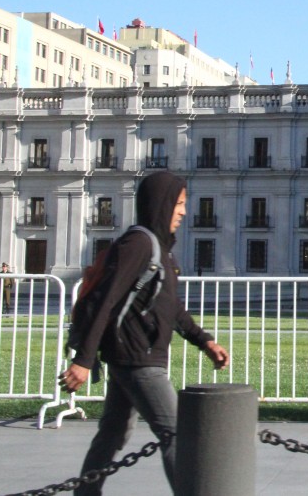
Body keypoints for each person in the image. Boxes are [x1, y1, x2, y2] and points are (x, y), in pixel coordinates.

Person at [59, 171, 230, 495]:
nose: (183, 211)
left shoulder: (158, 249)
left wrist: (204, 340)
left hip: (135, 355)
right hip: (138, 359)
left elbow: (171, 307)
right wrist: (82, 360)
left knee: (113, 432)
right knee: (177, 434)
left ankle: (86, 492)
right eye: (178, 204)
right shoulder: (138, 244)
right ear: (161, 204)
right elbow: (104, 301)